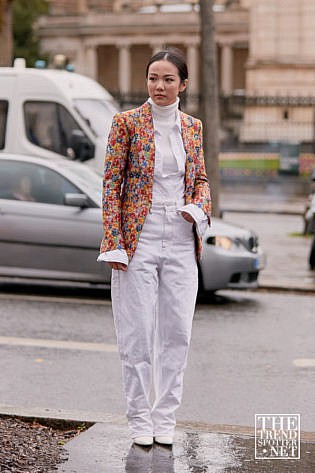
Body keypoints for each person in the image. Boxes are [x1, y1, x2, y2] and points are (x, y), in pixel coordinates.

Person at [98, 48, 211, 447]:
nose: (159, 86)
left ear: (183, 84)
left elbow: (200, 180)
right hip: (139, 237)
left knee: (177, 332)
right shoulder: (126, 123)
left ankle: (166, 417)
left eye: (167, 79)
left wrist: (198, 207)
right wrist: (114, 242)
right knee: (138, 334)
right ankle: (138, 418)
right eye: (152, 78)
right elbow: (112, 186)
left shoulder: (192, 127)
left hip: (181, 236)